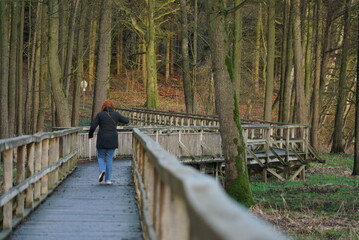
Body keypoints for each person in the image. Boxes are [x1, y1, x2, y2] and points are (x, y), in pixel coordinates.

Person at [89, 100, 129, 185]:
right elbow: (126, 121)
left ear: (103, 107)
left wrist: (90, 135)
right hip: (112, 139)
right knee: (109, 159)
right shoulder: (116, 114)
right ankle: (108, 180)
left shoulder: (100, 115)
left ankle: (102, 170)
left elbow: (93, 126)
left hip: (102, 138)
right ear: (112, 107)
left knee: (100, 157)